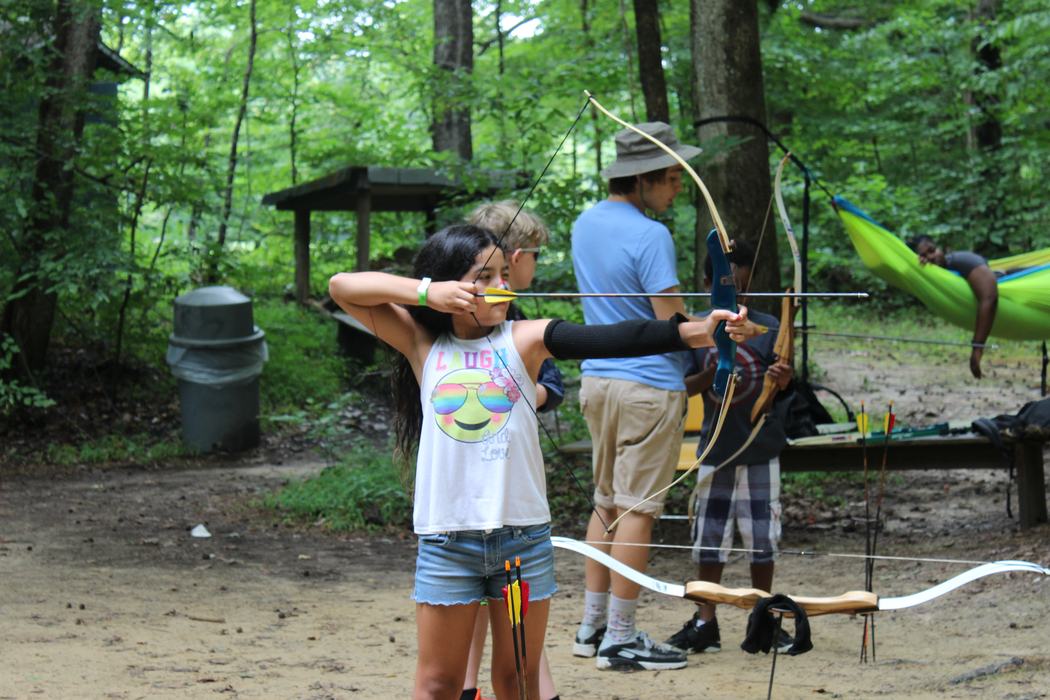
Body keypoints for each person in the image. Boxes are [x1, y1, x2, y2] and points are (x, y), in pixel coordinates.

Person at [328, 224, 754, 699]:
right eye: (484, 276)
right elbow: (342, 287)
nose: (501, 286)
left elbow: (614, 338)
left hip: (520, 552)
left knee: (516, 679)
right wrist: (429, 293)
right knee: (437, 684)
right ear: (453, 285)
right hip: (449, 547)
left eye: (504, 273)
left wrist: (700, 331)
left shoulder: (525, 338)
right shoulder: (422, 345)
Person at [569, 121, 702, 671]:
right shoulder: (652, 235)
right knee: (638, 510)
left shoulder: (583, 224)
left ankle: (591, 627)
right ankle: (621, 637)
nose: (676, 190)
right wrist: (715, 337)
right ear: (643, 178)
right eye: (671, 179)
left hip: (598, 382)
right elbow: (670, 323)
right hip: (648, 387)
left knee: (606, 503)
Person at [664, 240, 794, 656]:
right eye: (728, 288)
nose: (739, 297)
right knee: (708, 539)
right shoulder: (697, 328)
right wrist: (718, 370)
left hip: (760, 445)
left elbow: (785, 387)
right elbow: (684, 386)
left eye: (743, 288)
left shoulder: (770, 325)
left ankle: (763, 620)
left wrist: (782, 378)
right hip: (716, 448)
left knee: (763, 540)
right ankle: (706, 622)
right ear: (709, 285)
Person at [460, 201, 562, 700]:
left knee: (513, 603)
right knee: (471, 599)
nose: (532, 267)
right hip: (465, 493)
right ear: (518, 254)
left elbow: (553, 383)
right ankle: (464, 687)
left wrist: (523, 386)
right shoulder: (450, 317)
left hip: (507, 493)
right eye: (534, 256)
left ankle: (529, 686)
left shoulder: (517, 317)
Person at [909, 235, 998, 379]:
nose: (931, 257)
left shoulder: (962, 260)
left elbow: (989, 298)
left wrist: (977, 348)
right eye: (923, 256)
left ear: (940, 249)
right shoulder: (934, 279)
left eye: (932, 250)